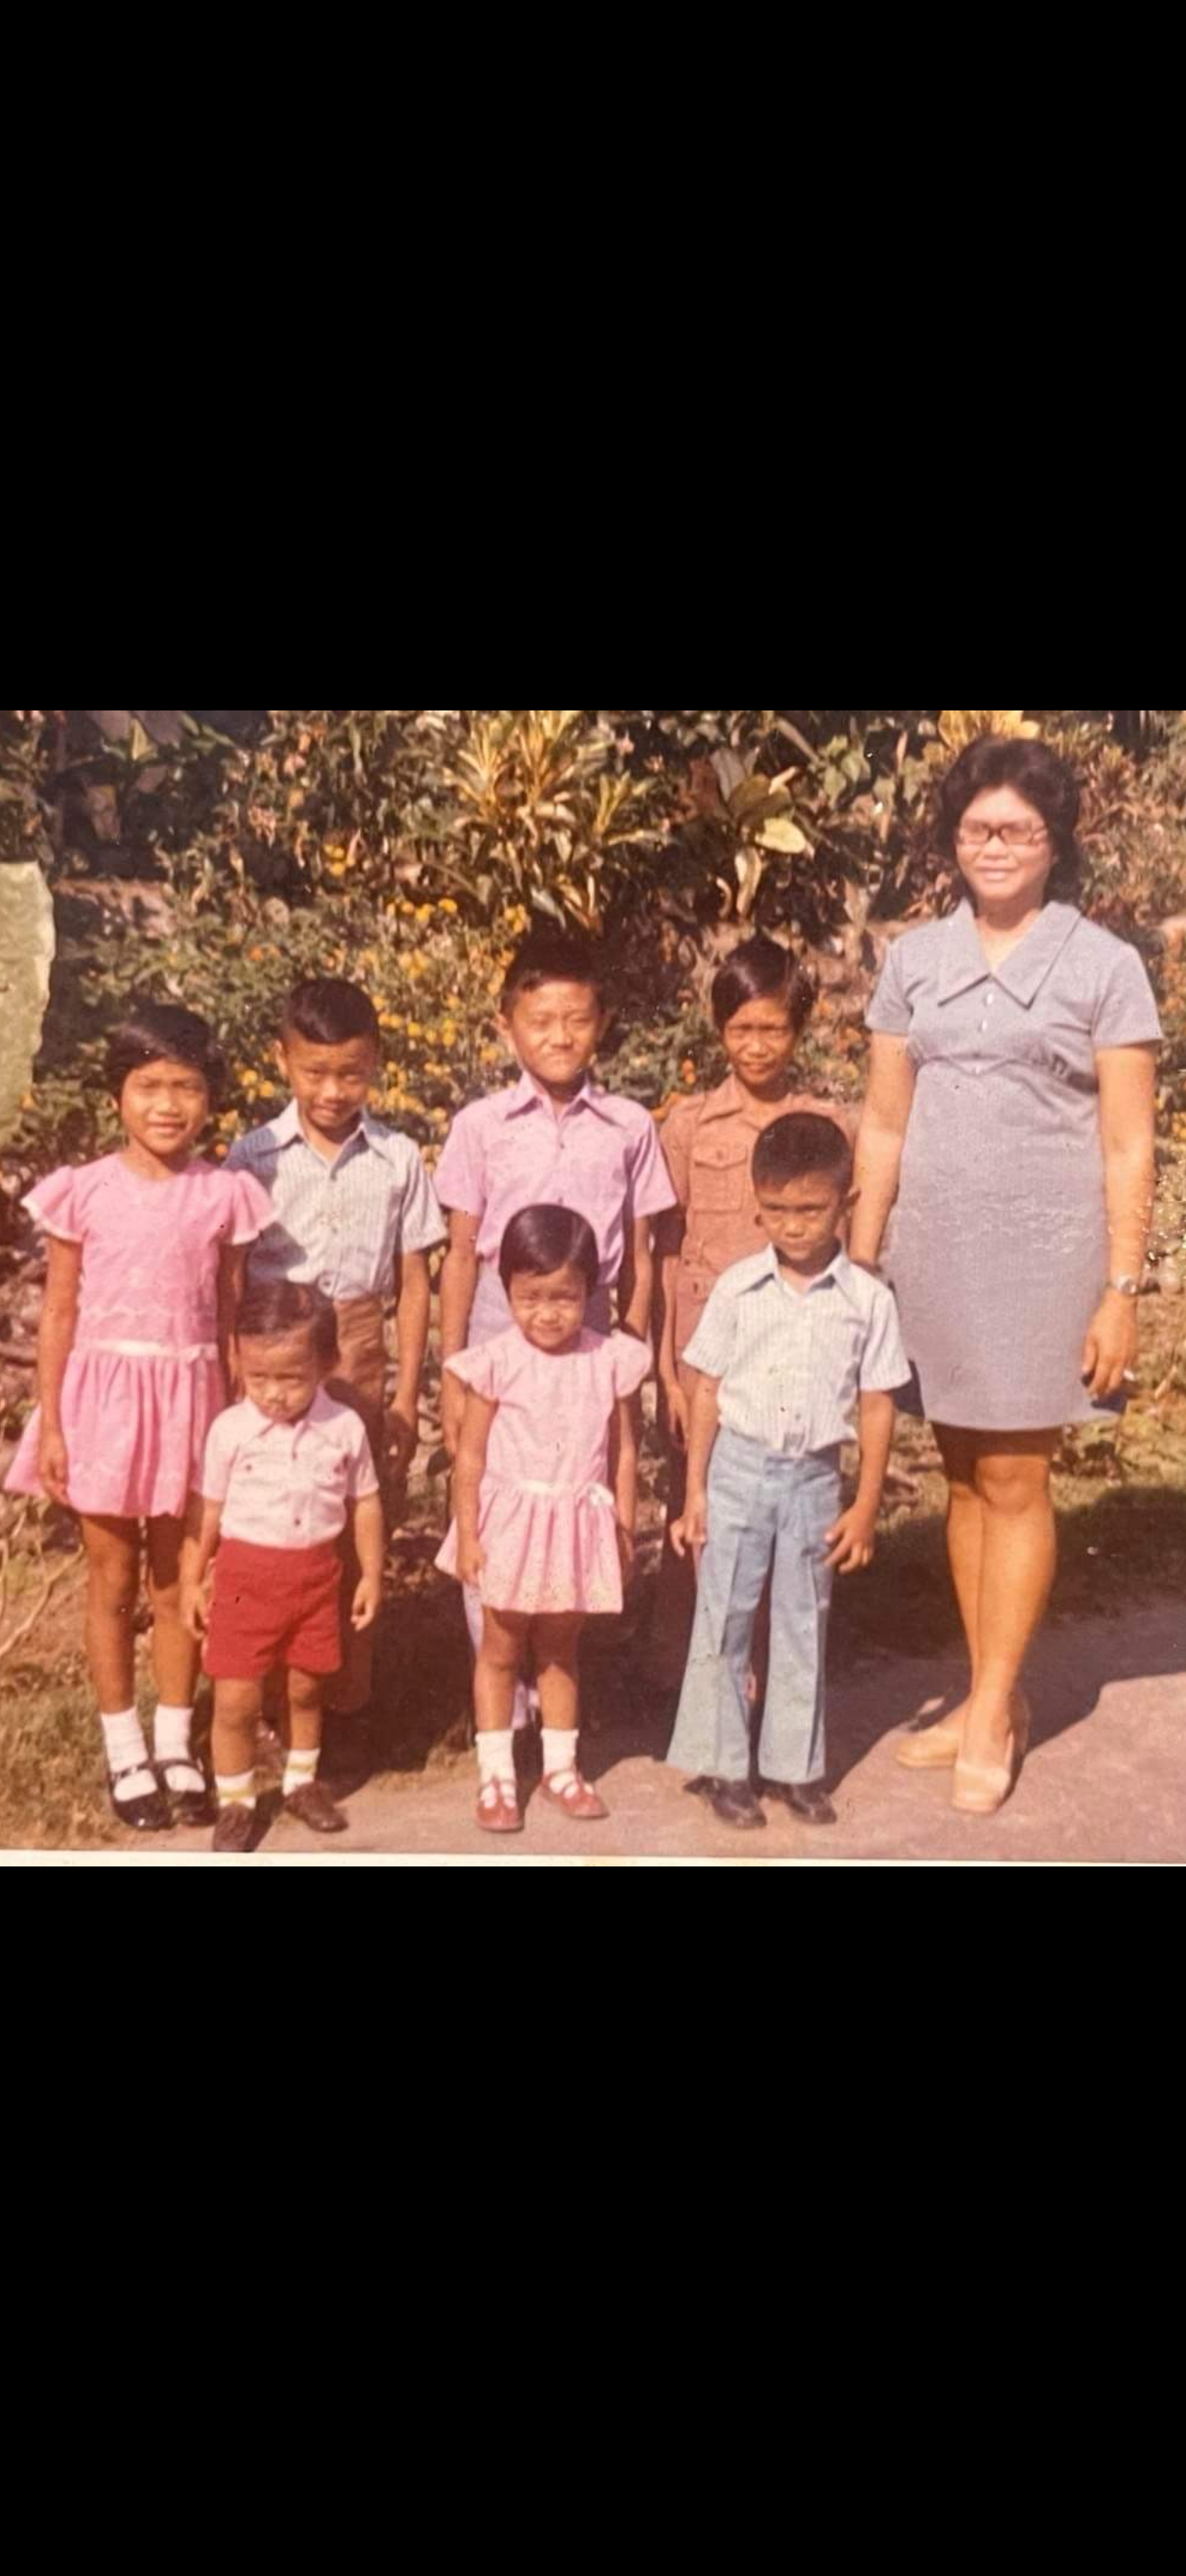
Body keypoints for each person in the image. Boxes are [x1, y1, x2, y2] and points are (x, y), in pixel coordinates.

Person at [854, 737, 1161, 1814]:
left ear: (1054, 842)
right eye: (980, 828)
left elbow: (1129, 1143)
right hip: (930, 1253)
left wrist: (1121, 1288)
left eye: (1020, 830)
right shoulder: (913, 961)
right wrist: (859, 1259)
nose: (997, 847)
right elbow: (884, 1124)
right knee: (958, 1474)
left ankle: (991, 1705)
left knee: (1019, 1478)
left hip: (1048, 1259)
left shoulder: (1105, 965)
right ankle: (989, 1686)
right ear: (953, 839)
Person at [5, 1000, 271, 1829]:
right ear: (117, 1094)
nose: (168, 1105)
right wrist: (52, 1422)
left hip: (194, 1405)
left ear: (209, 1098)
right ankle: (122, 1748)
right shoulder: (82, 1192)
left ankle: (172, 1742)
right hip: (105, 1407)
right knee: (113, 1579)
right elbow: (58, 1314)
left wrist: (235, 1425)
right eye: (149, 1086)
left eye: (186, 1087)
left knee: (181, 1579)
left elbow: (229, 1317)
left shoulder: (226, 1194)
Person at [435, 930, 675, 1725]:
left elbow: (639, 1246)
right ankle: (502, 1702)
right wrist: (453, 1364)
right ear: (508, 1025)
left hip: (595, 1327)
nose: (560, 1037)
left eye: (576, 1019)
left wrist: (631, 1343)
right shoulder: (480, 1125)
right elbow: (463, 1252)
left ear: (601, 1024)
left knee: (574, 1493)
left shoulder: (630, 1125)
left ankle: (560, 1685)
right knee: (499, 1499)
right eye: (541, 1021)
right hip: (504, 1330)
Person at [666, 1114, 908, 1831]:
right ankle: (723, 1767)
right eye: (777, 1211)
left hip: (813, 1479)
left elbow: (876, 1404)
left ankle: (796, 1769)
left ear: (847, 1203)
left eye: (811, 1210)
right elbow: (706, 1390)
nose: (794, 1227)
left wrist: (864, 1504)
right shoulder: (739, 1288)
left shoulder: (868, 1301)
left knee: (804, 1620)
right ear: (756, 1206)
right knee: (725, 1615)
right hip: (738, 1469)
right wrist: (695, 1492)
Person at [227, 975, 444, 1727]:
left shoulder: (397, 1157)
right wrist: (236, 1376)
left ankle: (341, 1709)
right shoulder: (250, 1157)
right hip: (268, 1344)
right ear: (282, 1060)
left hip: (355, 1347)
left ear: (376, 1064)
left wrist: (407, 1393)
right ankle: (257, 1706)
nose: (331, 1090)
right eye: (314, 1072)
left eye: (350, 1073)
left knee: (349, 1512)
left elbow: (415, 1284)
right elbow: (229, 1275)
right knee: (263, 1520)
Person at [652, 933, 853, 1688]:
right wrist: (668, 1369)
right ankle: (691, 1675)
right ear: (718, 1029)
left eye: (773, 1028)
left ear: (797, 1031)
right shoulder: (689, 1124)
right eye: (741, 1028)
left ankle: (770, 1670)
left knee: (781, 1508)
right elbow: (666, 1248)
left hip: (789, 1353)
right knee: (697, 1504)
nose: (757, 1045)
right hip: (707, 1355)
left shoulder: (823, 1126)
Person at [437, 1205, 651, 1835]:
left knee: (560, 1650)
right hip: (511, 1526)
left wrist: (624, 1523)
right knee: (501, 1650)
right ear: (507, 1291)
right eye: (531, 1298)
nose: (549, 1312)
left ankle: (561, 1768)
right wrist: (470, 1534)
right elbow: (469, 1457)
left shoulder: (610, 1359)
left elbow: (626, 1450)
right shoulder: (496, 1360)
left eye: (565, 1296)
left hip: (577, 1521)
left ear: (589, 1292)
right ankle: (497, 1775)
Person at [181, 1281, 385, 1853]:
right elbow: (209, 1510)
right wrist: (196, 1578)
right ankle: (237, 1801)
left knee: (305, 1689)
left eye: (290, 1378)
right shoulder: (231, 1430)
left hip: (317, 1579)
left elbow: (365, 1503)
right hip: (245, 1582)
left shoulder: (343, 1428)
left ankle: (300, 1781)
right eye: (258, 1376)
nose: (272, 1393)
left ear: (325, 1363)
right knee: (236, 1699)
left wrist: (370, 1573)